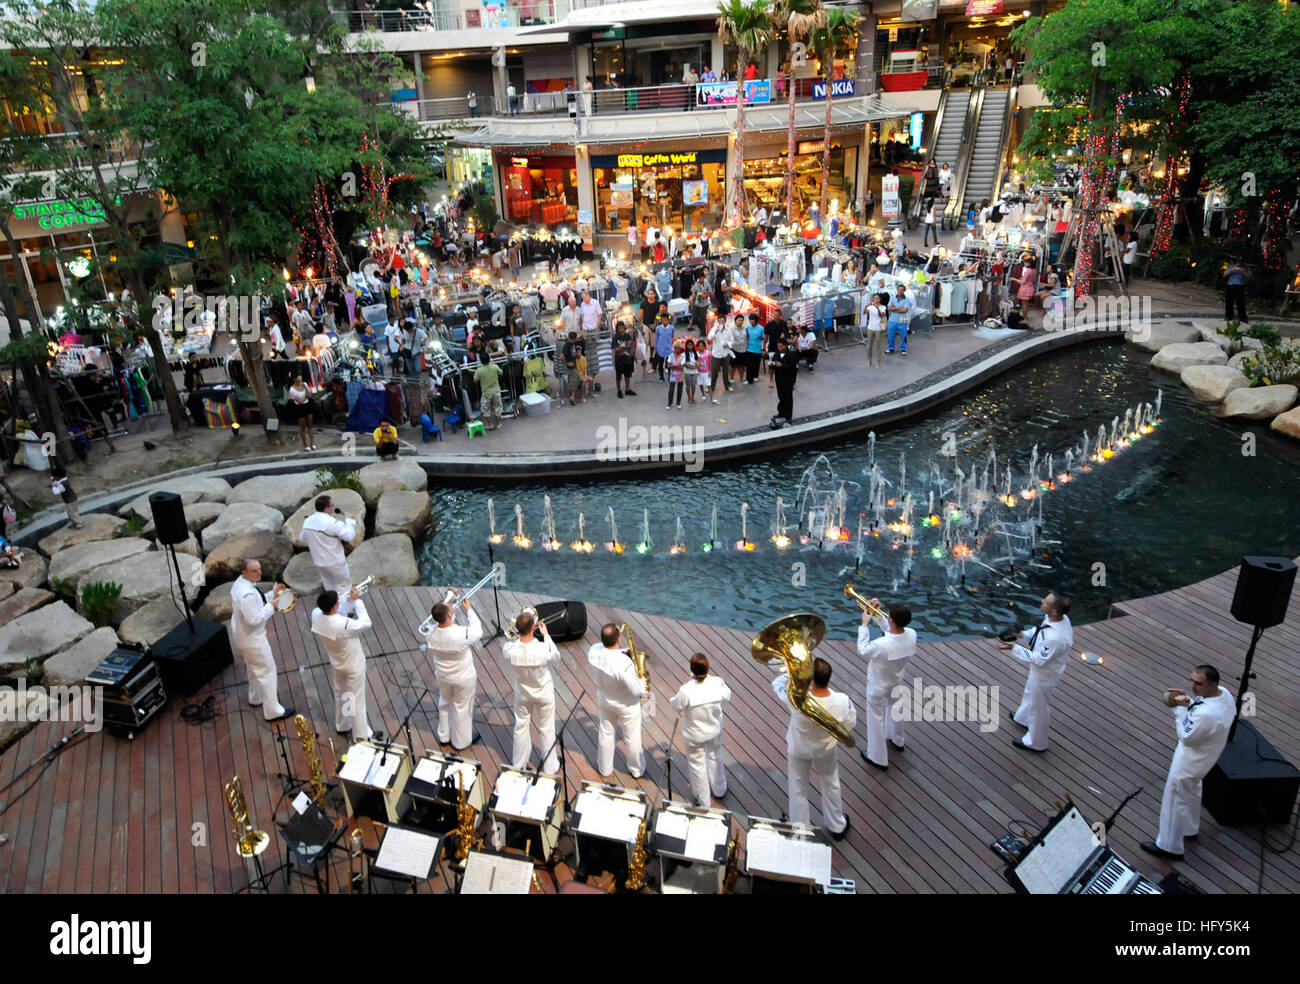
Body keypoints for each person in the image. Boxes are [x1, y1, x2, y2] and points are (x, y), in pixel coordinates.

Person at [1141, 664, 1235, 861]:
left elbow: (1186, 736)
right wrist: (1190, 702)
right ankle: (1189, 829)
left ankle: (1169, 846)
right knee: (1192, 791)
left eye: (1198, 683)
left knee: (1174, 800)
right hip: (1204, 759)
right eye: (1192, 680)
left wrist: (1179, 710)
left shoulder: (1207, 715)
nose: (1193, 686)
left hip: (1188, 762)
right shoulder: (1224, 695)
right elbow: (1203, 713)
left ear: (1213, 684)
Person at [773, 657, 856, 839]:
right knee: (830, 783)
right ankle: (836, 825)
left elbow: (776, 684)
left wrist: (790, 672)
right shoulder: (842, 701)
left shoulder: (796, 699)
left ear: (810, 679)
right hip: (825, 749)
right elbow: (849, 724)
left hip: (799, 749)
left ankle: (800, 831)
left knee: (797, 787)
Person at [997, 591, 1073, 753]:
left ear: (1053, 611)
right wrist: (1021, 635)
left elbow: (1039, 659)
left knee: (1040, 707)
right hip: (1041, 671)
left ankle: (1036, 742)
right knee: (1030, 693)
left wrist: (1014, 647)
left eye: (1045, 602)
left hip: (1045, 674)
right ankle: (1023, 718)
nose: (1041, 601)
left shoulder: (1055, 638)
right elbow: (1039, 633)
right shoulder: (1059, 619)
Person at [311, 587, 382, 742]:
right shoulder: (343, 624)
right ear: (335, 607)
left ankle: (343, 725)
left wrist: (342, 600)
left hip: (337, 663)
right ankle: (362, 736)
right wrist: (357, 601)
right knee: (357, 700)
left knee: (342, 694)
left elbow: (326, 610)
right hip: (353, 665)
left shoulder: (316, 615)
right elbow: (366, 623)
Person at [229, 559, 294, 723]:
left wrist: (272, 593)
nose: (259, 573)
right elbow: (254, 618)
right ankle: (272, 711)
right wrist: (273, 605)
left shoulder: (241, 583)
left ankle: (255, 697)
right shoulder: (247, 594)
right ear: (244, 572)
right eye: (254, 571)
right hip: (253, 639)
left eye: (259, 569)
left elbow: (257, 602)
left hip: (242, 635)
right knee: (267, 671)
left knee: (253, 667)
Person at [503, 608, 564, 773]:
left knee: (521, 726)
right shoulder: (543, 649)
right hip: (543, 694)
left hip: (523, 694)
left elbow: (510, 644)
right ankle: (550, 767)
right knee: (547, 728)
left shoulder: (509, 650)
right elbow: (556, 657)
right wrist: (546, 635)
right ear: (533, 628)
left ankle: (518, 764)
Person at [857, 601, 915, 770]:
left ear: (891, 620)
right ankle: (898, 740)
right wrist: (878, 614)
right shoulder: (911, 634)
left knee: (875, 718)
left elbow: (863, 650)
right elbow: (893, 631)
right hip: (896, 680)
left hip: (877, 685)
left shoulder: (881, 645)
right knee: (895, 708)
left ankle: (877, 758)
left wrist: (864, 624)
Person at [669, 653, 731, 807]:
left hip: (695, 734)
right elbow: (727, 695)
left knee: (697, 765)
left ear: (692, 671)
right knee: (715, 757)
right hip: (714, 729)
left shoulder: (686, 690)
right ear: (708, 668)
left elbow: (676, 705)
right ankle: (719, 789)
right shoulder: (717, 682)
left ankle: (704, 801)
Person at [588, 623, 648, 779]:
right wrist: (642, 681)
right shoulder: (624, 664)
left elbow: (605, 650)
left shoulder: (594, 652)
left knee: (606, 733)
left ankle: (605, 768)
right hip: (626, 704)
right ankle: (637, 769)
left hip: (605, 699)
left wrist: (621, 651)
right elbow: (637, 690)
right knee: (632, 738)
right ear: (619, 639)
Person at [423, 597, 483, 750]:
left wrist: (441, 608)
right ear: (449, 615)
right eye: (451, 609)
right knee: (462, 707)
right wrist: (469, 609)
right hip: (463, 676)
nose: (453, 609)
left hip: (443, 675)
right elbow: (478, 630)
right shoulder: (460, 633)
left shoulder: (429, 633)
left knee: (444, 703)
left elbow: (432, 622)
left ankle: (444, 736)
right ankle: (461, 742)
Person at [300, 494, 357, 603]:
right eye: (332, 505)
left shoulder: (308, 521)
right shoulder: (331, 522)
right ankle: (344, 615)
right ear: (327, 508)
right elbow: (349, 536)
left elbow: (302, 538)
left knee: (330, 589)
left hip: (320, 563)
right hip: (335, 563)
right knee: (344, 589)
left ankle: (332, 614)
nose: (333, 507)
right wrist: (349, 521)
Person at [770, 336, 799, 428]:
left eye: (781, 346)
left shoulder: (791, 355)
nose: (780, 348)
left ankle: (788, 417)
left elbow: (792, 367)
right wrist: (772, 365)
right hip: (779, 380)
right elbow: (774, 365)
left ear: (785, 346)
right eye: (778, 347)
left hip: (788, 380)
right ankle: (781, 412)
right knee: (781, 396)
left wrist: (782, 365)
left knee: (788, 398)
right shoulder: (777, 354)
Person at [473, 351, 504, 430]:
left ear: (480, 361)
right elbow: (501, 373)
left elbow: (475, 380)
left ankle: (490, 424)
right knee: (498, 407)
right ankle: (499, 423)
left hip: (486, 393)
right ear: (489, 359)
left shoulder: (479, 370)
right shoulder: (495, 367)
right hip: (496, 391)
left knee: (485, 409)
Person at [707, 314, 734, 398]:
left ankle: (727, 385)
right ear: (717, 321)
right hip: (716, 354)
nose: (721, 322)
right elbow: (709, 338)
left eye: (723, 320)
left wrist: (728, 344)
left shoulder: (728, 330)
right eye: (720, 320)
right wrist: (716, 331)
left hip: (725, 353)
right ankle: (712, 386)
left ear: (725, 321)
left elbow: (732, 340)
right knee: (715, 371)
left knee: (725, 371)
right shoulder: (714, 329)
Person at [287, 374, 316, 451]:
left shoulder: (304, 384)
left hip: (308, 406)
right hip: (299, 408)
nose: (300, 378)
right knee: (302, 426)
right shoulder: (292, 389)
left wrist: (305, 387)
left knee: (310, 424)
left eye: (300, 376)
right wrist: (305, 397)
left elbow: (309, 394)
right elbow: (299, 401)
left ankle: (312, 443)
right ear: (294, 379)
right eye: (298, 377)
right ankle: (305, 444)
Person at [612, 321, 637, 398]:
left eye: (622, 328)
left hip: (627, 359)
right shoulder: (615, 337)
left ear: (624, 327)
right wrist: (625, 347)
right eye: (619, 328)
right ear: (617, 329)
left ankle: (627, 389)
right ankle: (619, 391)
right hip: (619, 359)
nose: (621, 329)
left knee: (627, 375)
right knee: (618, 376)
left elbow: (630, 345)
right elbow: (616, 349)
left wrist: (622, 348)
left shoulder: (628, 336)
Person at [886, 283, 913, 355]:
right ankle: (890, 348)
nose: (900, 291)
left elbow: (905, 310)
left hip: (902, 321)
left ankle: (903, 349)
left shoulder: (907, 299)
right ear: (897, 290)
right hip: (892, 320)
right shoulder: (892, 297)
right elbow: (888, 308)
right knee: (891, 335)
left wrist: (894, 308)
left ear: (904, 291)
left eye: (902, 290)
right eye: (899, 290)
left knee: (903, 335)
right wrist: (899, 308)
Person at [863, 290, 886, 367]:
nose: (875, 300)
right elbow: (864, 313)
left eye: (877, 299)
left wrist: (877, 308)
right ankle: (869, 360)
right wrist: (866, 306)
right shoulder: (870, 307)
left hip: (878, 328)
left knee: (878, 346)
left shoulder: (883, 307)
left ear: (880, 299)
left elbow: (881, 316)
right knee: (869, 345)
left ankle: (878, 362)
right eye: (874, 298)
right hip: (870, 327)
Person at [1224, 259, 1250, 324]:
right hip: (1230, 285)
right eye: (1238, 262)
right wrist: (1231, 270)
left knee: (1240, 303)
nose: (1239, 263)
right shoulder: (1231, 267)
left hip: (1240, 286)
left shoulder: (1246, 268)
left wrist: (1243, 271)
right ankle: (1228, 316)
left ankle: (1243, 317)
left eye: (1240, 262)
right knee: (1229, 302)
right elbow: (1224, 275)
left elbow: (1248, 277)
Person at [561, 330, 584, 404]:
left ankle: (573, 396)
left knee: (577, 380)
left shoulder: (572, 343)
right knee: (573, 382)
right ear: (573, 339)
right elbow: (561, 357)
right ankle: (572, 397)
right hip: (571, 367)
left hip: (574, 365)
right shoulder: (567, 345)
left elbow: (579, 338)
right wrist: (567, 363)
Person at [743, 313, 765, 384]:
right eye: (750, 319)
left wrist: (763, 349)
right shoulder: (748, 328)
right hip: (749, 348)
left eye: (752, 319)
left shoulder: (761, 328)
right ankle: (749, 379)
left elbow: (763, 338)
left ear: (756, 320)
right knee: (749, 365)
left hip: (758, 349)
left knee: (756, 364)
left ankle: (755, 376)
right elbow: (746, 336)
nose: (751, 321)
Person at [653, 312, 675, 382]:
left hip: (669, 349)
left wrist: (672, 347)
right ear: (661, 320)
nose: (664, 321)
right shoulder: (658, 328)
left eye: (665, 320)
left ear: (668, 320)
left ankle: (669, 376)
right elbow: (657, 338)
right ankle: (661, 377)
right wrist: (656, 348)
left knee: (669, 364)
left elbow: (672, 337)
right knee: (660, 364)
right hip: (660, 348)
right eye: (663, 320)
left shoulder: (672, 328)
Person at [665, 337, 686, 409]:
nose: (677, 349)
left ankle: (678, 402)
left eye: (678, 348)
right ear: (674, 348)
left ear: (680, 348)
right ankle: (669, 403)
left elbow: (682, 367)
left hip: (680, 375)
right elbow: (668, 365)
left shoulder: (683, 356)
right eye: (676, 348)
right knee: (671, 389)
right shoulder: (670, 355)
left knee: (680, 389)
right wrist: (677, 366)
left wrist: (673, 366)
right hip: (672, 375)